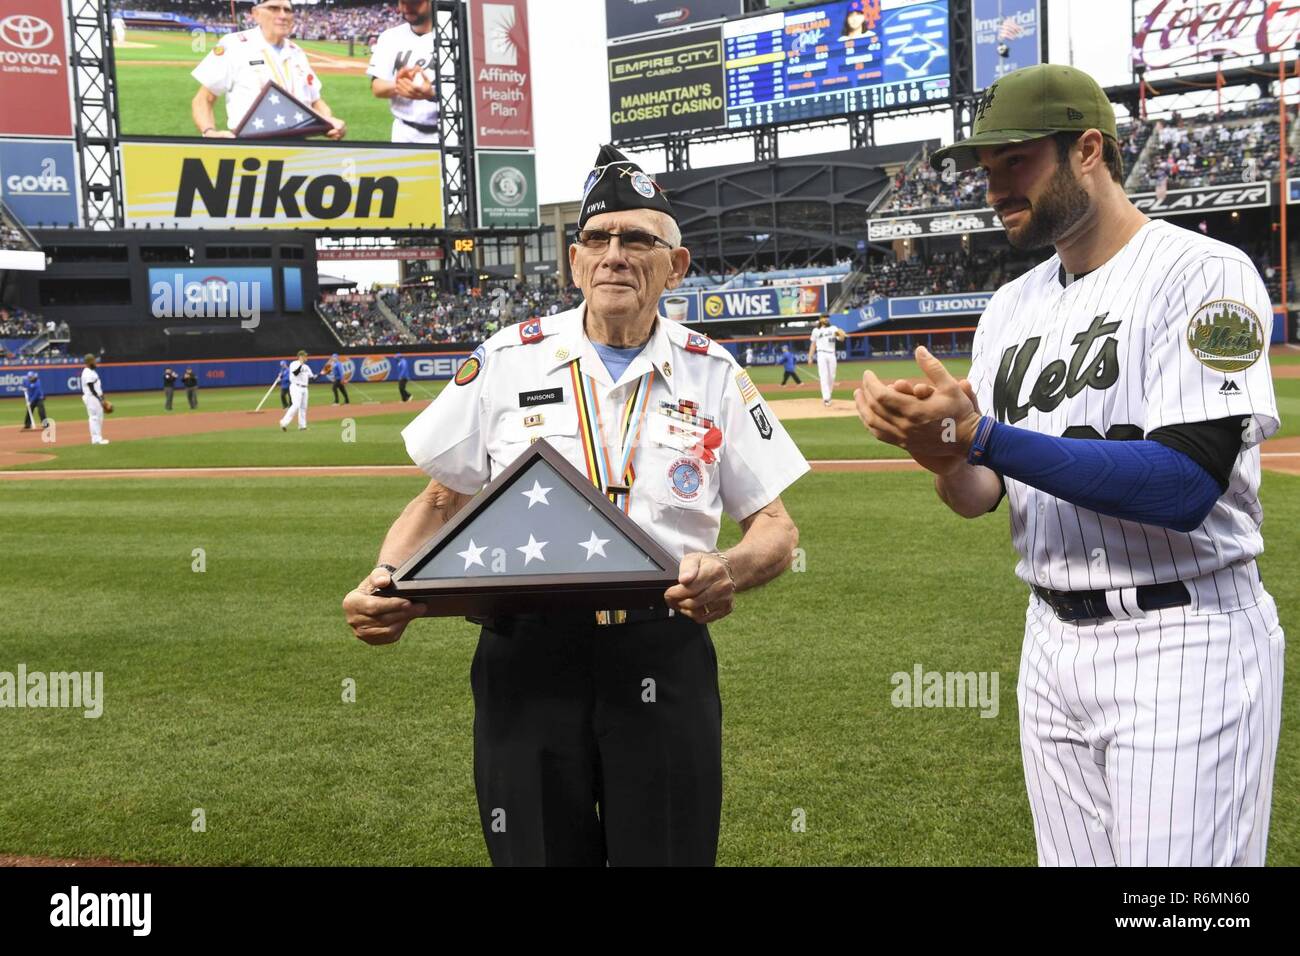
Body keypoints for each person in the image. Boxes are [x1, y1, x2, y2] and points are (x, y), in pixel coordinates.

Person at [856, 64, 1285, 867]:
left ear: (1089, 149)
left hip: (1185, 636)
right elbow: (983, 495)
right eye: (986, 170)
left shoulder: (1208, 274)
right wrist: (943, 453)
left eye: (1014, 163)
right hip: (1050, 640)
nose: (994, 188)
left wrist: (981, 437)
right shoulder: (1009, 307)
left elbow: (1187, 484)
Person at [342, 144, 809, 867]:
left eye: (638, 240)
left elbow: (775, 528)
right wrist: (383, 579)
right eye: (597, 239)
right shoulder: (506, 359)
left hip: (663, 649)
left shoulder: (712, 372)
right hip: (526, 656)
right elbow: (440, 498)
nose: (614, 255)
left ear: (675, 267)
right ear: (574, 260)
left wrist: (727, 568)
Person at [190, 0, 346, 140]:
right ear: (256, 14)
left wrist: (329, 121)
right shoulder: (234, 45)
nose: (283, 15)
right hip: (251, 144)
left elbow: (315, 100)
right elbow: (204, 98)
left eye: (287, 10)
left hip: (298, 145)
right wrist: (209, 132)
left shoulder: (297, 52)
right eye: (274, 8)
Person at [367, 0, 438, 144]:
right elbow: (377, 87)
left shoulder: (454, 36)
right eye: (402, 2)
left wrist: (432, 94)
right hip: (403, 133)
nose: (406, 8)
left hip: (447, 134)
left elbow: (472, 93)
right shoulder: (390, 37)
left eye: (414, 3)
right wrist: (399, 85)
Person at [808, 315, 845, 406]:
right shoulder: (816, 331)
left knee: (832, 376)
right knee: (823, 376)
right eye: (824, 317)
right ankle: (826, 398)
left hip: (831, 354)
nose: (826, 319)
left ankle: (829, 395)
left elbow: (840, 339)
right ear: (820, 320)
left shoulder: (833, 329)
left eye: (827, 318)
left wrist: (841, 335)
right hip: (821, 354)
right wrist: (810, 357)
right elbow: (813, 344)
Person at [279, 349, 316, 431]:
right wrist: (301, 364)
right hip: (296, 387)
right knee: (296, 405)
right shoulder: (294, 364)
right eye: (305, 356)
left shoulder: (306, 367)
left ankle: (302, 426)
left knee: (303, 407)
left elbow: (313, 378)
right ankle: (283, 422)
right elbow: (295, 373)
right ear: (300, 356)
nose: (307, 357)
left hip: (305, 388)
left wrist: (322, 374)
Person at [80, 353, 110, 445]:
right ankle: (96, 439)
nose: (95, 362)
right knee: (94, 418)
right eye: (93, 360)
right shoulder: (87, 372)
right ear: (89, 362)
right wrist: (100, 399)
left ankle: (97, 438)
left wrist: (102, 397)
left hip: (94, 397)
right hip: (92, 398)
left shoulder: (91, 371)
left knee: (98, 417)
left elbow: (97, 387)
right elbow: (91, 387)